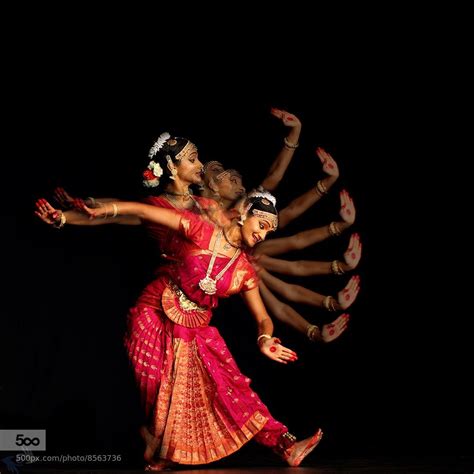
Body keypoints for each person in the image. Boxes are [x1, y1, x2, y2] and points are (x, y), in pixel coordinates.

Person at [75, 191, 327, 470]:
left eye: (269, 231)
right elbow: (145, 211)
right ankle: (158, 443)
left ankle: (285, 445)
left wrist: (265, 338)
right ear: (245, 213)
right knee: (156, 383)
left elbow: (263, 318)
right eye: (262, 226)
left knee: (230, 388)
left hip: (195, 328)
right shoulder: (201, 229)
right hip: (155, 308)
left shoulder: (243, 270)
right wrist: (106, 209)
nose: (263, 236)